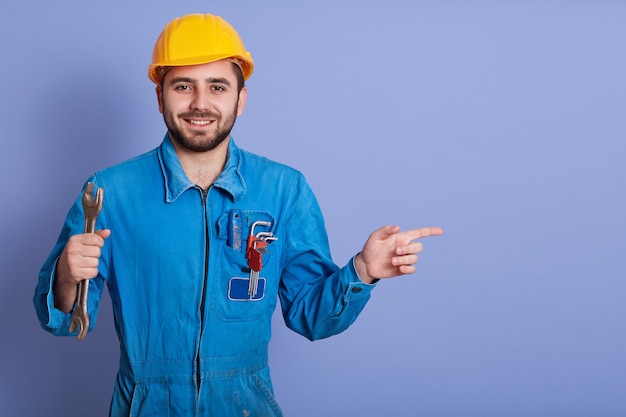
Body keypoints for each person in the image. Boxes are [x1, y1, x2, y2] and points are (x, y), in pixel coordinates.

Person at [34, 13, 443, 417]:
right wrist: (67, 275)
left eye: (217, 86)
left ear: (240, 99)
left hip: (245, 405)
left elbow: (312, 318)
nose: (200, 103)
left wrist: (361, 271)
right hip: (145, 404)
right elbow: (65, 321)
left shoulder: (285, 189)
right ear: (160, 96)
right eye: (182, 86)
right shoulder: (110, 192)